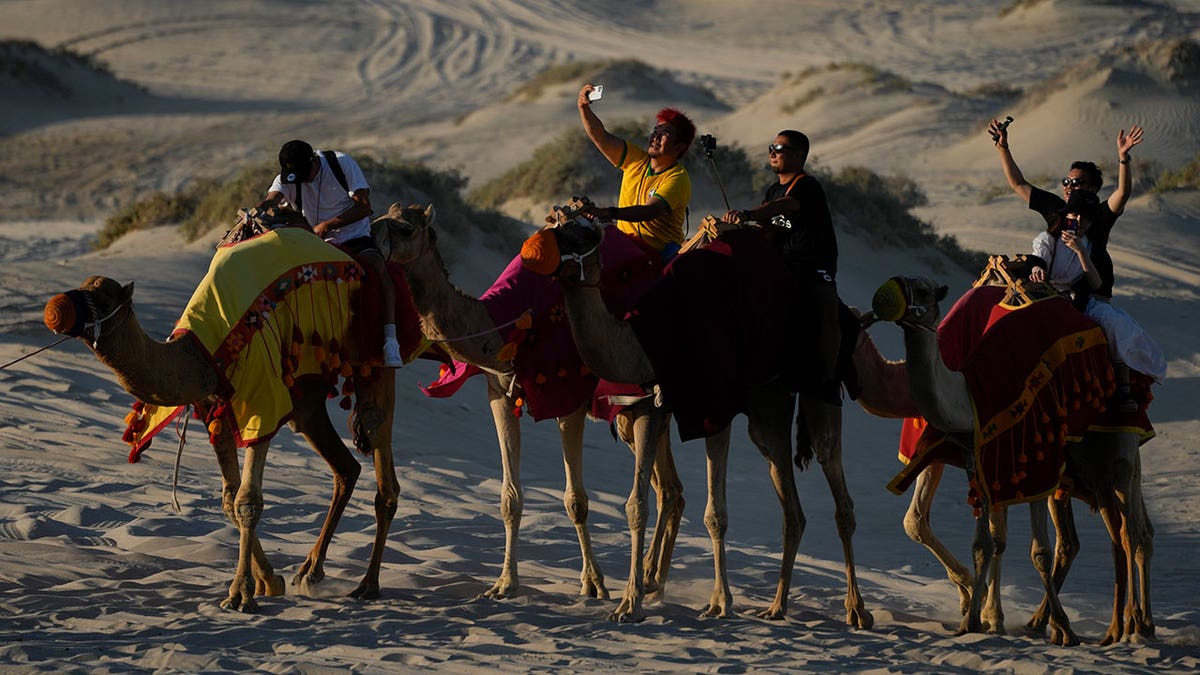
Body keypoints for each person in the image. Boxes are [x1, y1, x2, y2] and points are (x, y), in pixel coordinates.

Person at [720, 130, 841, 409]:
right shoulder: (772, 189)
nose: (772, 152)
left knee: (825, 306)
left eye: (780, 148)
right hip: (784, 263)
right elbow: (776, 227)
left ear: (799, 155)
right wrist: (740, 232)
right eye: (771, 147)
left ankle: (827, 379)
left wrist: (749, 214)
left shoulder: (805, 186)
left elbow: (784, 207)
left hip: (813, 265)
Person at [262, 139, 403, 367]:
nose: (298, 180)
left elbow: (364, 206)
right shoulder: (290, 177)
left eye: (301, 174)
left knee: (379, 270)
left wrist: (327, 225)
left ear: (312, 162)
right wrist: (259, 212)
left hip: (352, 236)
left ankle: (390, 341)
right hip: (311, 242)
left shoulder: (340, 163)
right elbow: (271, 200)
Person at [577, 83, 695, 258]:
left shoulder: (678, 178)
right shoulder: (635, 159)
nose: (655, 137)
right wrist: (583, 107)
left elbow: (649, 211)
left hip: (653, 255)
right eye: (656, 130)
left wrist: (608, 212)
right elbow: (599, 135)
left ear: (679, 147)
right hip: (624, 244)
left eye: (664, 134)